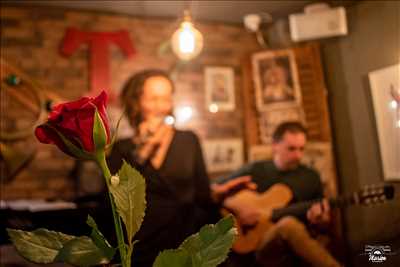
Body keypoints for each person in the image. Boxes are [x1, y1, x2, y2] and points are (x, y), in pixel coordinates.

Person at [107, 69, 253, 267]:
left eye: (166, 98)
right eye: (153, 99)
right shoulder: (120, 149)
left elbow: (200, 196)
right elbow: (115, 202)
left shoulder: (188, 140)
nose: (161, 106)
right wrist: (146, 149)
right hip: (142, 246)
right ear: (136, 103)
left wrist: (222, 194)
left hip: (185, 240)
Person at [218, 121, 341, 267]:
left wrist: (322, 221)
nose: (298, 155)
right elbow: (214, 190)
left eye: (302, 149)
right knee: (287, 224)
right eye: (291, 149)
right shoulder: (255, 169)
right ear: (275, 145)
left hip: (298, 240)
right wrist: (238, 206)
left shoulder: (311, 177)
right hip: (257, 243)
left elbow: (321, 221)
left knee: (288, 224)